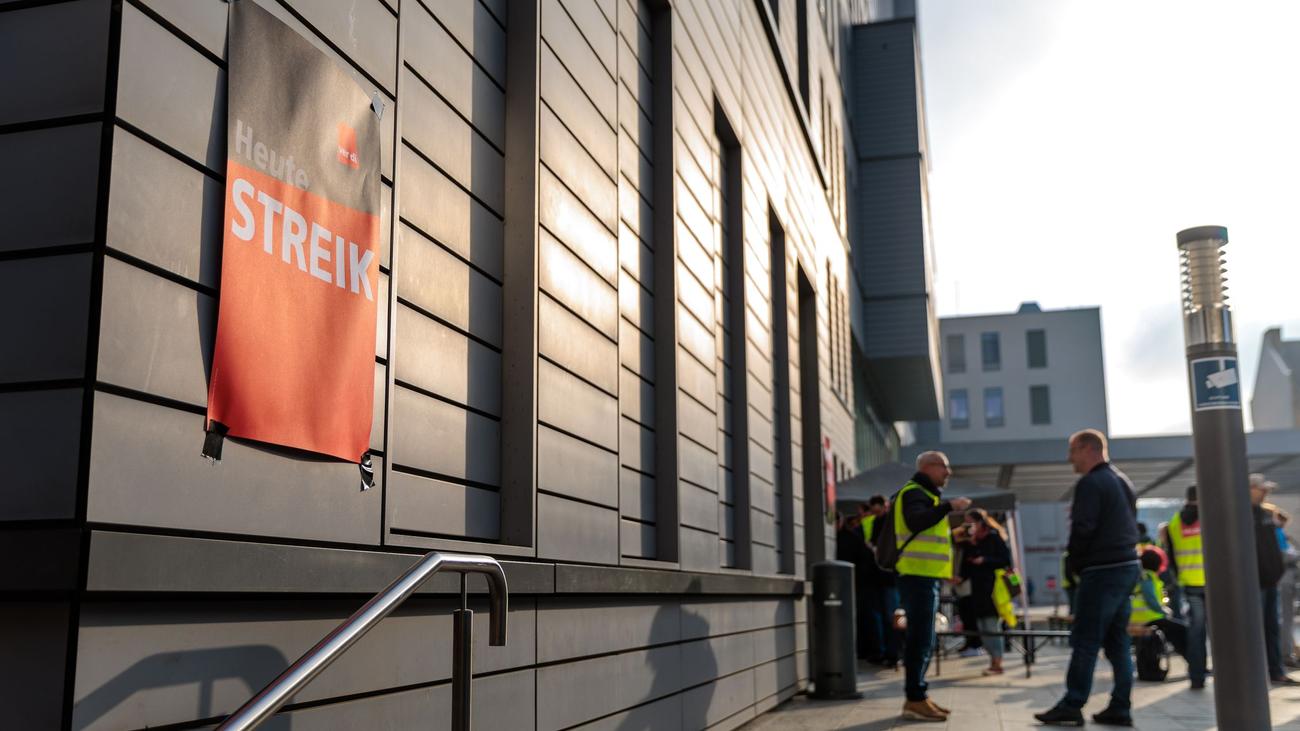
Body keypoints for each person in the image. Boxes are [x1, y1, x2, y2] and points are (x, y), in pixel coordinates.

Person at [1035, 429, 1140, 727]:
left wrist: (1075, 563)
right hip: (1126, 566)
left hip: (1102, 570)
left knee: (1085, 640)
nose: (1070, 458)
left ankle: (1072, 704)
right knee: (1118, 641)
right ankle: (1120, 706)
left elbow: (1083, 528)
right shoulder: (1122, 480)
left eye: (1073, 451)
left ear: (1088, 449)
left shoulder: (1090, 483)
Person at [895, 451, 971, 722]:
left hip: (924, 576)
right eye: (944, 467)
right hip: (917, 577)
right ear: (928, 467)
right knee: (920, 639)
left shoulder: (924, 495)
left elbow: (924, 530)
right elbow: (917, 521)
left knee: (924, 638)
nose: (948, 472)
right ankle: (915, 698)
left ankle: (918, 695)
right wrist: (949, 506)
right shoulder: (916, 493)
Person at [1249, 475, 1297, 685]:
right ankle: (1260, 672)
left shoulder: (1265, 514)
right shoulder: (1242, 514)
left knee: (1272, 627)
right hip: (1256, 581)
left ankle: (1276, 670)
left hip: (1270, 580)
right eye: (1261, 489)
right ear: (1250, 489)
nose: (1265, 493)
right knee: (1258, 628)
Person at [1164, 485, 1206, 688]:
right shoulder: (1209, 516)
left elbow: (1170, 556)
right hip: (1213, 583)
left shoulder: (1174, 522)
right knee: (1224, 630)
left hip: (1189, 584)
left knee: (1196, 632)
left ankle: (1197, 676)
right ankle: (1229, 675)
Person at [962, 508, 1013, 675]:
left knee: (992, 626)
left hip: (993, 589)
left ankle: (997, 663)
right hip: (977, 590)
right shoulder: (971, 541)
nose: (967, 526)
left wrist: (985, 560)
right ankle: (993, 661)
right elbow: (967, 566)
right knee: (982, 627)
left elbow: (1005, 560)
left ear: (980, 522)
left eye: (970, 522)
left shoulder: (993, 538)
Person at [862, 495, 900, 667]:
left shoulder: (890, 522)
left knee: (890, 617)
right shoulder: (874, 522)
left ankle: (892, 653)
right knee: (879, 618)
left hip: (887, 577)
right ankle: (883, 652)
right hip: (877, 577)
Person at [1130, 547, 1188, 657]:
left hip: (1140, 618)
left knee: (1173, 630)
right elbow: (1151, 600)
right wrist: (1164, 611)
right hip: (1148, 619)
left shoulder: (1142, 575)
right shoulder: (1147, 577)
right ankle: (1191, 658)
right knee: (1181, 630)